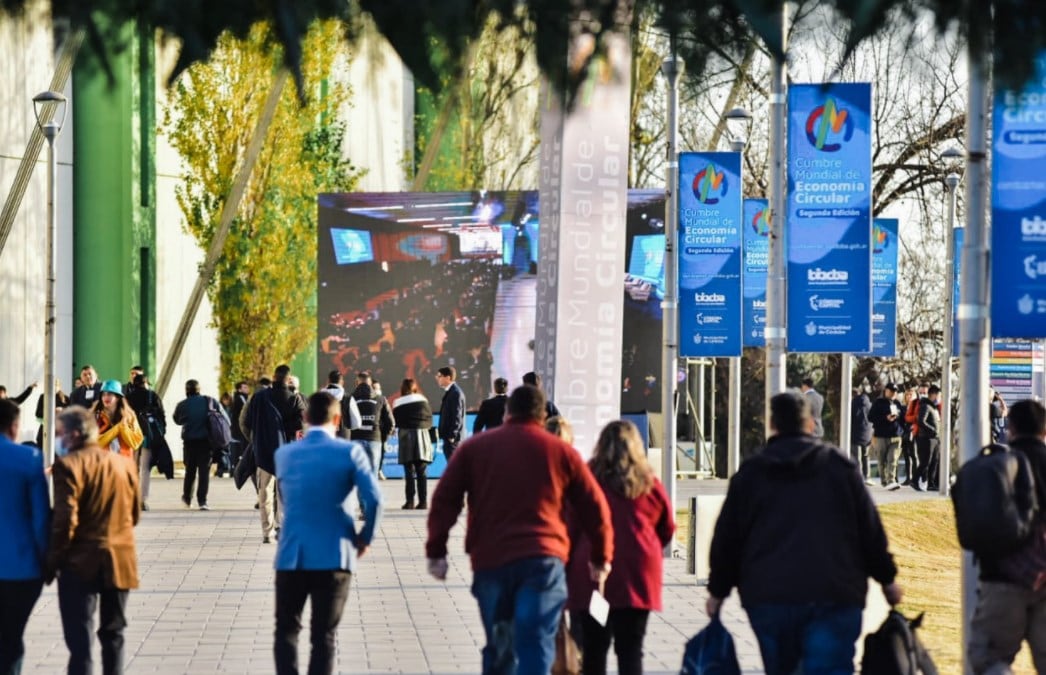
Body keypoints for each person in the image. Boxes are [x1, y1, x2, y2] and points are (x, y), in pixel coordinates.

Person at [706, 391, 902, 675]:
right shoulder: (840, 468)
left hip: (770, 596)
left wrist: (718, 592)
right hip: (835, 593)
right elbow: (869, 530)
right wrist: (887, 580)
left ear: (772, 424)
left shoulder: (752, 473)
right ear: (811, 424)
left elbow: (728, 539)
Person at [426, 385, 614, 675]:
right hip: (544, 560)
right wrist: (601, 558)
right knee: (537, 641)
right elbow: (595, 507)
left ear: (507, 412)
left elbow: (444, 499)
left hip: (491, 561)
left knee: (500, 644)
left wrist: (436, 551)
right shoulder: (562, 452)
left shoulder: (475, 449)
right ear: (542, 415)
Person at [273, 391, 383, 675]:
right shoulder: (350, 453)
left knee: (286, 630)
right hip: (336, 553)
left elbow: (285, 497)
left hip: (292, 555)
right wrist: (365, 538)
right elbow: (375, 499)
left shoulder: (284, 454)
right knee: (324, 636)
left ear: (305, 418)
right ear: (338, 419)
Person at [567, 420, 675, 675]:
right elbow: (667, 526)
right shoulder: (648, 481)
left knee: (594, 648)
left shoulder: (587, 477)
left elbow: (570, 522)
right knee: (630, 649)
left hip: (594, 575)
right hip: (637, 576)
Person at [47, 406, 140, 675]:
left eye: (59, 433)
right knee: (114, 635)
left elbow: (65, 521)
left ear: (74, 435)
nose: (57, 439)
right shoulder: (124, 464)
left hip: (79, 563)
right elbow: (133, 515)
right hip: (120, 560)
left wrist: (51, 563)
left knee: (81, 642)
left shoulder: (68, 465)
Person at [969, 399, 1046, 673]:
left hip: (1003, 580)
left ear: (1010, 428)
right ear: (1044, 431)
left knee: (989, 660)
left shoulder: (996, 467)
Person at [0, 399, 50, 674]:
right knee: (11, 638)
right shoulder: (29, 460)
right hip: (21, 570)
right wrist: (48, 562)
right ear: (14, 426)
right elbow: (42, 520)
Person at [242, 364, 307, 543]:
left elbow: (247, 422)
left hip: (264, 452)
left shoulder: (259, 398)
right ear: (288, 379)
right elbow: (301, 425)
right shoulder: (294, 399)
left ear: (274, 377)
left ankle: (267, 532)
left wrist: (255, 441)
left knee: (265, 493)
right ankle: (282, 527)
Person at [173, 379, 220, 510]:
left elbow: (177, 420)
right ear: (199, 389)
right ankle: (202, 501)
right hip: (206, 443)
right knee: (204, 472)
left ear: (186, 390)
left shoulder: (182, 404)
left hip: (189, 442)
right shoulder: (209, 401)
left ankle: (187, 499)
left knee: (190, 472)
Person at [126, 374, 167, 511]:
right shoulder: (152, 396)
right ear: (146, 383)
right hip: (147, 437)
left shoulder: (128, 398)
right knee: (145, 469)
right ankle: (142, 501)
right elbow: (162, 415)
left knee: (131, 468)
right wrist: (161, 433)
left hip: (130, 436)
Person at [393, 378, 435, 510]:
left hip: (406, 437)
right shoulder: (424, 400)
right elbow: (430, 420)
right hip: (422, 437)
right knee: (422, 471)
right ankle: (423, 502)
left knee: (409, 472)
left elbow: (397, 421)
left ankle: (409, 502)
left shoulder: (398, 403)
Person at [348, 371, 393, 474]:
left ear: (356, 383)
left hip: (355, 440)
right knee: (372, 477)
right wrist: (382, 438)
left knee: (359, 477)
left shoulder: (349, 399)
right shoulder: (381, 399)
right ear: (370, 384)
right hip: (374, 440)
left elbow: (345, 421)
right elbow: (391, 423)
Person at [92, 380, 144, 460]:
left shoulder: (129, 417)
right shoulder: (95, 416)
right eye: (103, 395)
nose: (106, 397)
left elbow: (135, 443)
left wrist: (123, 427)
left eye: (109, 394)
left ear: (117, 398)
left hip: (123, 464)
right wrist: (117, 428)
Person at [868, 382, 905, 490]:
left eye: (895, 392)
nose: (893, 393)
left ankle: (891, 481)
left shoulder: (898, 404)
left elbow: (903, 419)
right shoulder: (878, 403)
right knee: (881, 460)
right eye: (891, 391)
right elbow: (870, 417)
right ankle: (884, 481)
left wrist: (902, 430)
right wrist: (885, 418)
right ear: (886, 391)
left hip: (896, 436)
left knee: (892, 459)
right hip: (881, 436)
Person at [914, 385, 942, 492]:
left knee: (934, 461)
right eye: (939, 395)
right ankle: (914, 480)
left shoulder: (933, 408)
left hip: (935, 438)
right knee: (926, 462)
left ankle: (931, 483)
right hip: (926, 438)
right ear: (933, 395)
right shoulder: (925, 406)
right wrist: (932, 430)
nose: (939, 398)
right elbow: (921, 421)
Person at [436, 366, 465, 462]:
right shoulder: (451, 392)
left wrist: (453, 435)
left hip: (452, 439)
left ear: (448, 378)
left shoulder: (455, 393)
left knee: (454, 465)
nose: (437, 378)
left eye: (440, 376)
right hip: (449, 437)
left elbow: (457, 416)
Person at [34, 380, 70, 447]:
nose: (53, 387)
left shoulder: (65, 398)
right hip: (45, 429)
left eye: (56, 385)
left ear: (59, 386)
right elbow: (38, 413)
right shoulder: (43, 396)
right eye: (51, 385)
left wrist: (62, 410)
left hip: (60, 431)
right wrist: (52, 411)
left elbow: (70, 413)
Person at [850, 386, 875, 485]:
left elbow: (852, 418)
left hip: (856, 433)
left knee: (857, 457)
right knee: (866, 456)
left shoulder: (852, 404)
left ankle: (858, 477)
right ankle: (867, 476)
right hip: (868, 433)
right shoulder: (869, 403)